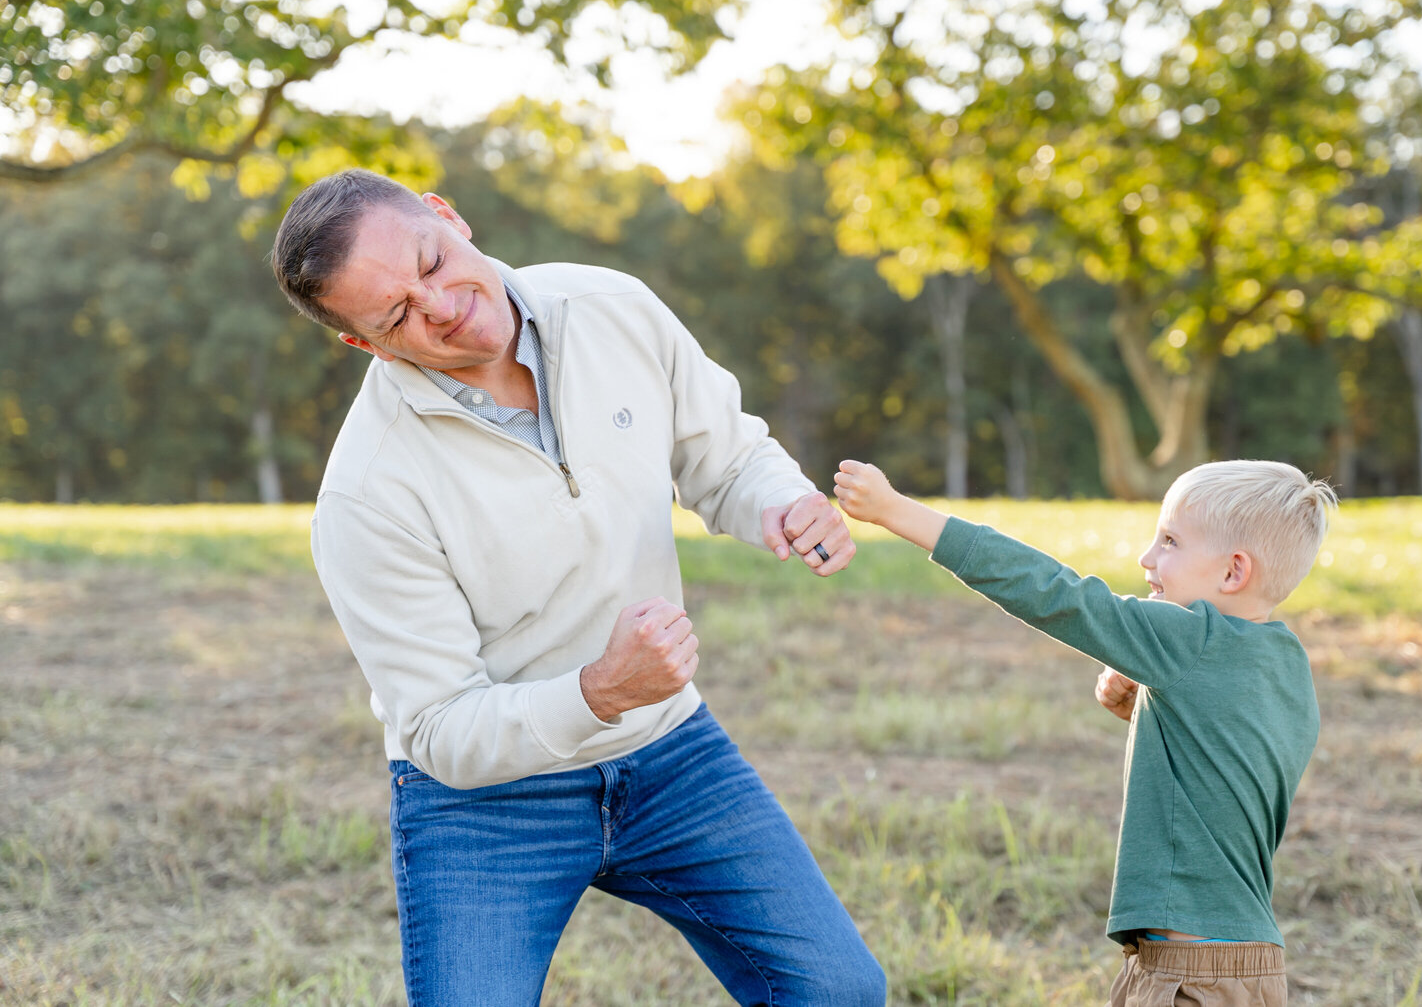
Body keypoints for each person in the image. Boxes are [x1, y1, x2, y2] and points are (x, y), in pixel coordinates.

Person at [270, 168, 886, 1006]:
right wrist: (598, 691)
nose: (440, 304)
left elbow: (727, 456)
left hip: (670, 753)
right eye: (398, 315)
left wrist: (782, 504)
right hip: (484, 804)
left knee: (841, 992)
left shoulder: (613, 307)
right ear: (365, 345)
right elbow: (442, 728)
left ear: (448, 216)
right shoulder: (366, 495)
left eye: (431, 260)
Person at [832, 457, 1338, 1007]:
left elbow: (1059, 594)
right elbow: (1231, 766)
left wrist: (895, 511)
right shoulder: (1287, 664)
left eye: (1169, 541)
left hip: (1190, 975)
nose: (1147, 558)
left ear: (1233, 573)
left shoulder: (1189, 640)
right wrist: (1152, 706)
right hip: (1250, 967)